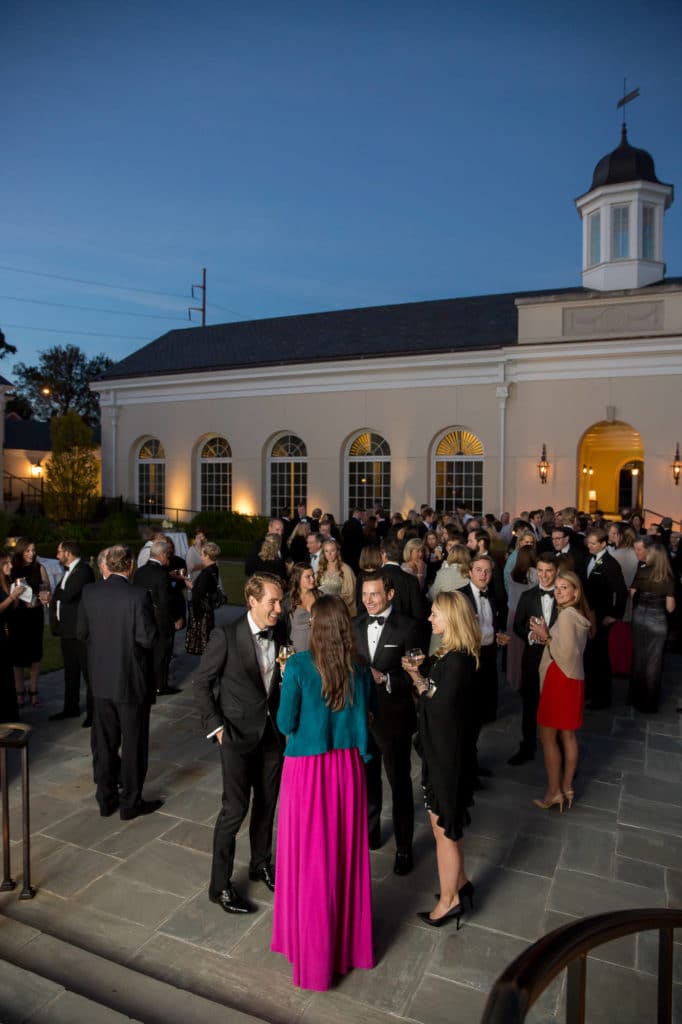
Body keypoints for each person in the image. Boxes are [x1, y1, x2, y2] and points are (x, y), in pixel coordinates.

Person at [271, 595, 375, 990]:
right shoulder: (359, 669)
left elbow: (284, 723)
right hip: (346, 768)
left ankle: (313, 955)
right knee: (343, 856)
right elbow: (369, 714)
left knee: (310, 858)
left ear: (316, 625)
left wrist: (284, 683)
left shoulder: (297, 666)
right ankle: (346, 946)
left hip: (307, 771)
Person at [194, 573, 288, 915]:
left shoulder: (281, 629)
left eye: (281, 601)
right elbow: (201, 684)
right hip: (234, 736)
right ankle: (219, 887)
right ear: (251, 600)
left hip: (272, 736)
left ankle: (261, 863)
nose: (279, 608)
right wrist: (217, 729)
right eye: (272, 602)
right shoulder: (226, 635)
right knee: (234, 812)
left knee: (267, 806)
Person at [401, 591, 481, 928]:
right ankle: (460, 883)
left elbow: (438, 706)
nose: (430, 619)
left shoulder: (458, 662)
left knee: (443, 831)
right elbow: (433, 696)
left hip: (448, 758)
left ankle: (449, 902)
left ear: (451, 617)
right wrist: (416, 676)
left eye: (435, 614)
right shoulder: (449, 655)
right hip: (444, 752)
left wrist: (418, 680)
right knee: (446, 826)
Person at [77, 545, 161, 820]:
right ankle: (130, 803)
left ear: (106, 566)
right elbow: (147, 639)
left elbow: (82, 632)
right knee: (134, 744)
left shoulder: (90, 592)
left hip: (100, 681)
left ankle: (105, 799)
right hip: (131, 681)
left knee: (103, 743)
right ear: (130, 567)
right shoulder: (138, 595)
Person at [352, 572, 422, 874]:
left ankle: (404, 846)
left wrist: (387, 678)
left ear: (390, 594)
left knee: (400, 782)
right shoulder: (355, 625)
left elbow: (417, 672)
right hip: (362, 718)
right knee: (367, 779)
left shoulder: (409, 627)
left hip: (394, 718)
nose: (368, 600)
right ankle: (371, 830)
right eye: (365, 594)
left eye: (375, 594)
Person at [532, 570, 590, 812]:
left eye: (564, 587)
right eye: (557, 587)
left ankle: (553, 792)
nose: (558, 591)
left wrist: (545, 637)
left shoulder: (566, 616)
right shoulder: (577, 614)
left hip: (560, 679)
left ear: (576, 592)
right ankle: (567, 788)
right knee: (567, 736)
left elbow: (563, 653)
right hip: (574, 679)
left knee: (548, 738)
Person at [508, 553, 559, 765]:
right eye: (540, 571)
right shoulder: (528, 596)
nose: (544, 576)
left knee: (557, 707)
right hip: (532, 658)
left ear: (556, 572)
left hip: (557, 659)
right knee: (529, 705)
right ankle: (527, 747)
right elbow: (518, 625)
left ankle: (559, 752)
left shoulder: (565, 596)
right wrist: (531, 635)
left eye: (548, 571)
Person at [48, 540, 96, 724]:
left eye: (59, 551)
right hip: (67, 631)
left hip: (80, 630)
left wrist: (53, 594)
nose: (57, 555)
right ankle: (70, 708)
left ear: (67, 553)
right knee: (70, 672)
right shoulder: (69, 572)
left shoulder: (83, 570)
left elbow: (68, 594)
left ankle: (93, 713)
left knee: (88, 672)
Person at [628, 542, 676, 713]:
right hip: (657, 621)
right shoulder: (668, 577)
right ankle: (647, 702)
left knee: (638, 657)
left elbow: (632, 594)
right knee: (653, 662)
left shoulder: (642, 570)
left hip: (639, 617)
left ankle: (634, 696)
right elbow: (670, 607)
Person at [583, 527, 627, 710]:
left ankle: (603, 697)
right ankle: (590, 690)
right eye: (589, 543)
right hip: (588, 615)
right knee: (590, 655)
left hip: (602, 617)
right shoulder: (589, 559)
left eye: (593, 544)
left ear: (603, 543)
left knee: (601, 657)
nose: (590, 546)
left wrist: (614, 615)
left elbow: (622, 592)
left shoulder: (611, 564)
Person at [133, 539, 182, 696]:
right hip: (162, 620)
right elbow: (165, 601)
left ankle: (147, 682)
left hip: (144, 618)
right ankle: (160, 686)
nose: (169, 558)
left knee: (147, 653)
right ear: (161, 555)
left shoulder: (139, 572)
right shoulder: (162, 574)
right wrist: (176, 618)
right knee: (162, 653)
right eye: (167, 555)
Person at [10, 537, 51, 708]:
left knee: (35, 655)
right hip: (18, 617)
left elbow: (47, 587)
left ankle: (34, 690)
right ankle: (19, 691)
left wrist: (45, 595)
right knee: (18, 657)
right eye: (27, 551)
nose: (31, 554)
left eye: (33, 550)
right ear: (20, 551)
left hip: (35, 616)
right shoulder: (13, 569)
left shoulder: (39, 567)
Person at [0, 553, 26, 721]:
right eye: (6, 563)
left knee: (7, 678)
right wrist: (12, 597)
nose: (10, 566)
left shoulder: (7, 582)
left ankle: (10, 717)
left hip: (7, 636)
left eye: (11, 562)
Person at [184, 542, 221, 656]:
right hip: (208, 608)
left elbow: (199, 592)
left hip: (202, 610)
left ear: (207, 556)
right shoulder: (214, 568)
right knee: (207, 638)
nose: (200, 557)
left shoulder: (206, 572)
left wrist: (190, 586)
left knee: (204, 641)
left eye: (202, 554)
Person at [284, 563, 321, 652]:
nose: (312, 579)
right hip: (296, 648)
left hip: (318, 645)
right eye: (308, 577)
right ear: (298, 578)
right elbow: (282, 626)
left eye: (313, 576)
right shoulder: (289, 600)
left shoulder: (319, 595)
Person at [316, 538, 357, 615]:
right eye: (326, 551)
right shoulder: (320, 568)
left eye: (332, 551)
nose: (329, 554)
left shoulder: (346, 570)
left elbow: (350, 595)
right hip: (323, 610)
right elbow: (315, 589)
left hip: (340, 611)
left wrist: (334, 603)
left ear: (337, 552)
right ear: (323, 553)